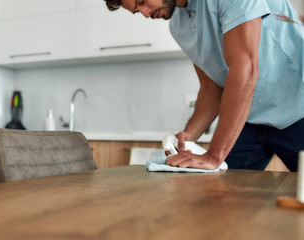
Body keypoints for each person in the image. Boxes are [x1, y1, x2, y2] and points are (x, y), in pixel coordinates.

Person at [104, 0, 304, 171]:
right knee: (221, 198)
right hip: (250, 121)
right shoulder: (178, 27)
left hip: (297, 108)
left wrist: (214, 156)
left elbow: (246, 70)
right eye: (137, 11)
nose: (146, 14)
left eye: (141, 1)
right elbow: (211, 86)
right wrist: (189, 136)